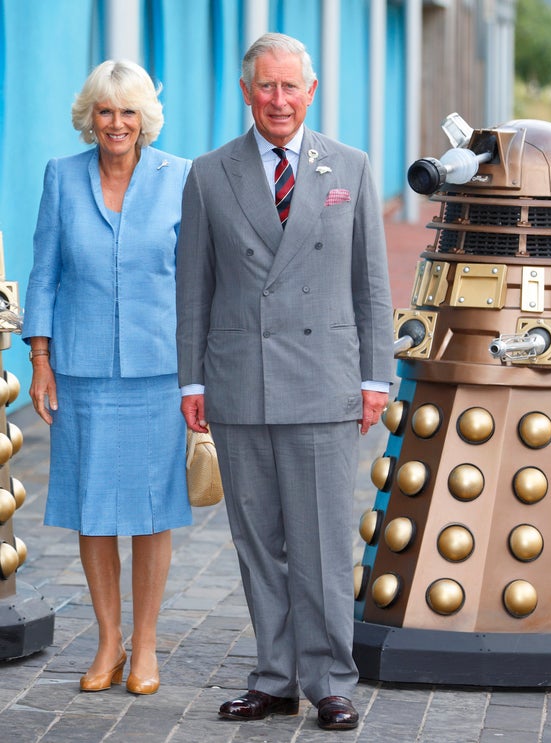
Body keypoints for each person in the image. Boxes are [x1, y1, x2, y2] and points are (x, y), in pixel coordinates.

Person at [175, 33, 394, 730]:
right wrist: (191, 381)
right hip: (240, 383)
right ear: (247, 92)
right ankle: (274, 677)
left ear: (311, 92)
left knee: (325, 543)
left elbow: (373, 286)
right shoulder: (210, 173)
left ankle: (329, 679)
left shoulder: (351, 168)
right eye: (265, 87)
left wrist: (375, 376)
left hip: (326, 383)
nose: (277, 99)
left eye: (289, 86)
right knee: (258, 543)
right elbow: (193, 289)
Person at [22, 60, 192, 696]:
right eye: (105, 111)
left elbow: (197, 279)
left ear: (144, 116)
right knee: (94, 511)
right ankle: (108, 643)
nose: (116, 123)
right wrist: (39, 359)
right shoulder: (61, 177)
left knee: (152, 511)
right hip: (82, 369)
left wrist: (200, 372)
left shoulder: (181, 178)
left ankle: (145, 645)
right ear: (89, 117)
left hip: (159, 371)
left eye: (127, 111)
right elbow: (45, 272)